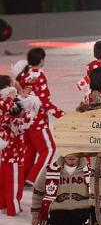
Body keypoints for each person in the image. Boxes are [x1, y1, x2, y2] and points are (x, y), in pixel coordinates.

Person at [16, 47, 64, 186]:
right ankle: (34, 178)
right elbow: (44, 101)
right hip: (37, 121)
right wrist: (61, 114)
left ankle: (23, 177)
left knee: (30, 150)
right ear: (41, 60)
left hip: (25, 121)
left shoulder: (24, 74)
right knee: (48, 149)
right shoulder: (38, 76)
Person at [31, 154, 92, 225]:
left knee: (74, 219)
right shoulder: (50, 170)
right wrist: (35, 216)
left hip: (80, 207)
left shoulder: (89, 170)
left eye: (75, 156)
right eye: (70, 155)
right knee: (57, 219)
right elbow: (38, 192)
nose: (72, 158)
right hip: (58, 208)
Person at [0, 79, 39, 216]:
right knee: (14, 180)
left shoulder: (4, 102)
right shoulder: (10, 105)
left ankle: (3, 203)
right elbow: (18, 126)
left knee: (4, 176)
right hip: (14, 149)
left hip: (6, 148)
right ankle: (13, 207)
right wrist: (24, 118)